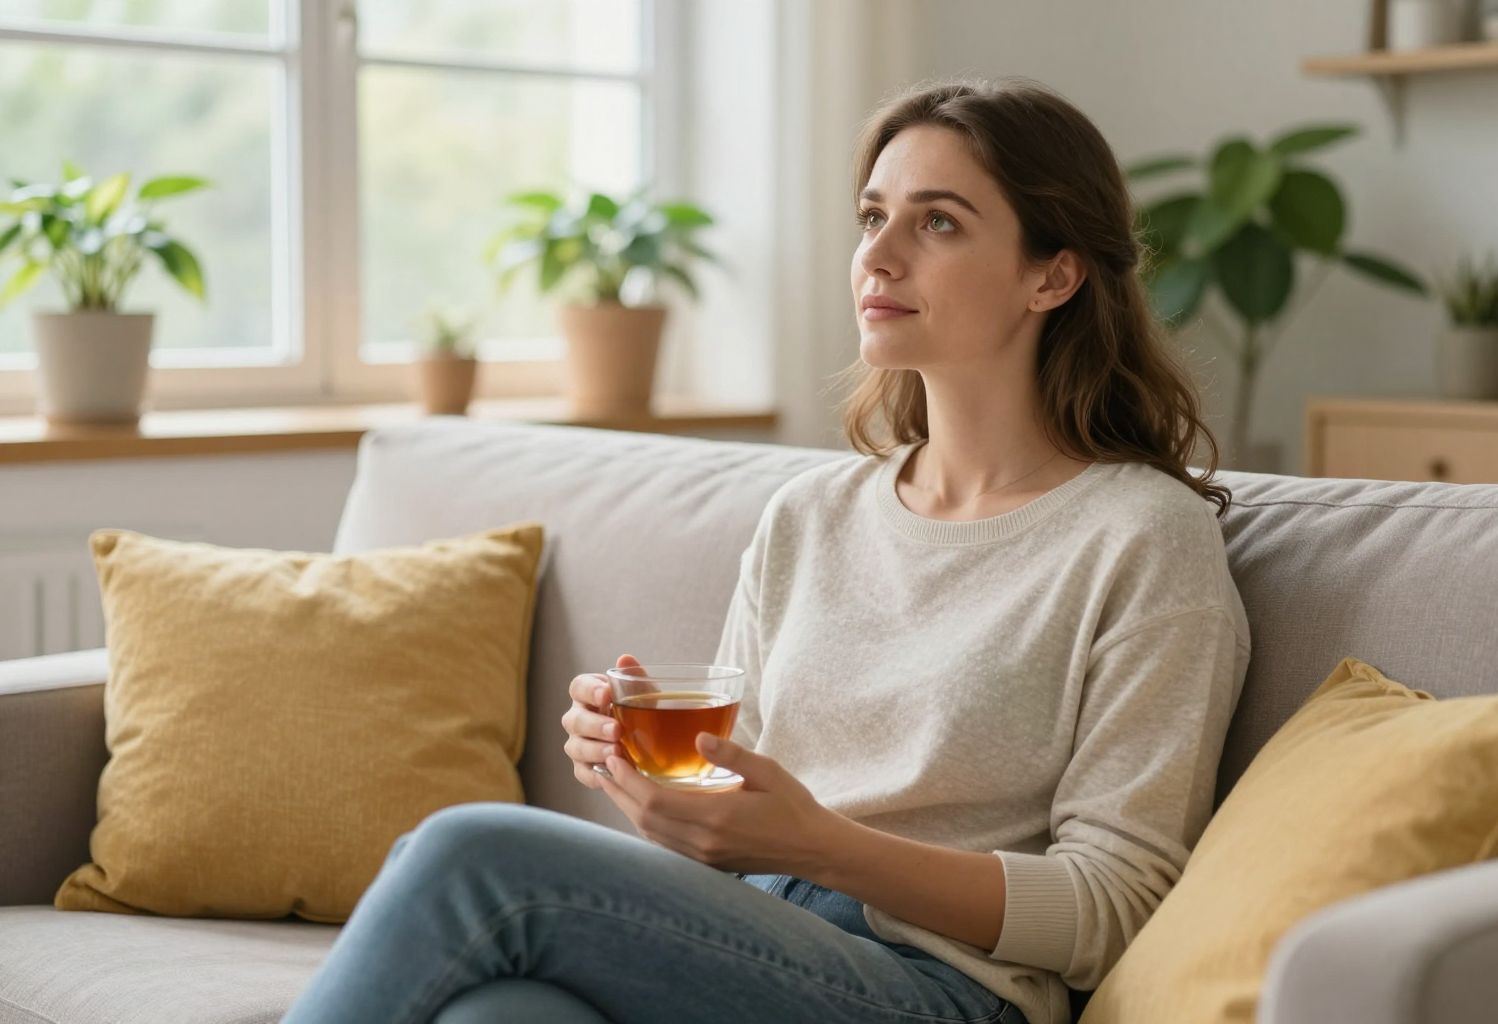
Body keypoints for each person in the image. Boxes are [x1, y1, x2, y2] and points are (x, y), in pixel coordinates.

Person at [280, 76, 1251, 1024]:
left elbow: (1115, 905)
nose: (881, 255)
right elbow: (743, 801)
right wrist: (651, 777)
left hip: (945, 986)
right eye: (873, 217)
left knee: (467, 856)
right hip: (766, 935)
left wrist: (826, 847)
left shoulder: (1141, 538)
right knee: (504, 1010)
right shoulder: (813, 515)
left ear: (1054, 274)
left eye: (938, 222)